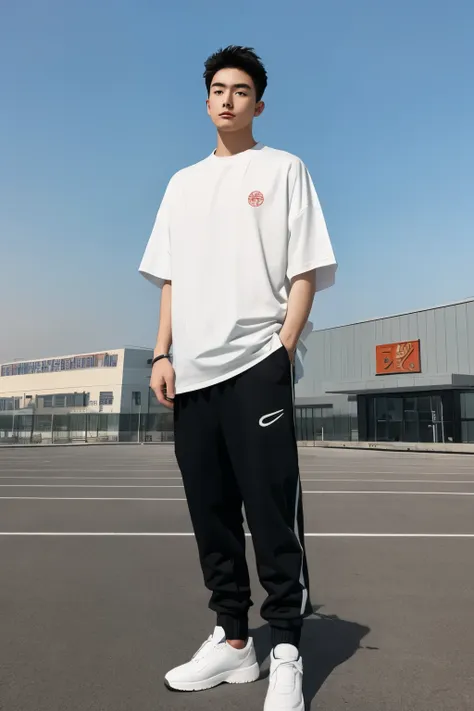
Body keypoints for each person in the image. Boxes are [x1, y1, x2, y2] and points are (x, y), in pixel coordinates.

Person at [139, 45, 337, 711]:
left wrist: (282, 349)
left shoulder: (283, 170)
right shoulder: (180, 184)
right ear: (206, 102)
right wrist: (160, 353)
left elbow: (305, 268)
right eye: (218, 89)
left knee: (272, 510)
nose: (228, 99)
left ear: (259, 103)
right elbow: (170, 277)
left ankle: (285, 645)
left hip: (257, 361)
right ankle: (232, 641)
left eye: (241, 89)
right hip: (190, 374)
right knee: (212, 515)